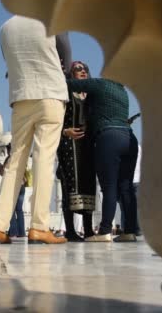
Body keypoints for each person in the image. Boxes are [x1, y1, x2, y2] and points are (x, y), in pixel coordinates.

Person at [0, 15, 71, 244]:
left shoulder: (5, 27)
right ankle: (39, 227)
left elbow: (11, 61)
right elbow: (66, 56)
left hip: (21, 97)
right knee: (43, 158)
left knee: (15, 162)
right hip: (50, 95)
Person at [66, 76, 138, 242]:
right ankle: (130, 231)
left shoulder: (99, 84)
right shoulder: (122, 91)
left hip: (109, 137)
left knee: (109, 186)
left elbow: (71, 84)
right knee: (126, 187)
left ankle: (105, 231)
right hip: (129, 138)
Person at [56, 61, 96, 242]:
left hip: (87, 146)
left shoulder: (92, 95)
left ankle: (88, 229)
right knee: (69, 185)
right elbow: (55, 119)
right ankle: (70, 230)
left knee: (88, 184)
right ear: (71, 74)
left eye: (85, 69)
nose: (82, 72)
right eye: (78, 69)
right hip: (68, 145)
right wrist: (66, 131)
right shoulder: (65, 93)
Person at [0, 143, 28, 238]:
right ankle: (21, 232)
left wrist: (0, 167)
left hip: (13, 186)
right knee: (19, 210)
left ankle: (14, 232)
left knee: (11, 209)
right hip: (22, 185)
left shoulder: (9, 159)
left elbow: (4, 173)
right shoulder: (21, 158)